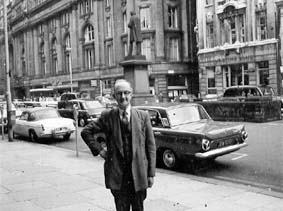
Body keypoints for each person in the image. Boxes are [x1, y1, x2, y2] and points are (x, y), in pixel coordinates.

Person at [81, 79, 156, 211]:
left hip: (138, 175)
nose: (123, 97)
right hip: (118, 177)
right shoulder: (107, 116)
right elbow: (86, 131)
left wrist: (151, 174)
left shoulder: (143, 116)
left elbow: (150, 147)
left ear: (131, 94)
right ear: (114, 96)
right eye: (119, 93)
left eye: (126, 93)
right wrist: (100, 150)